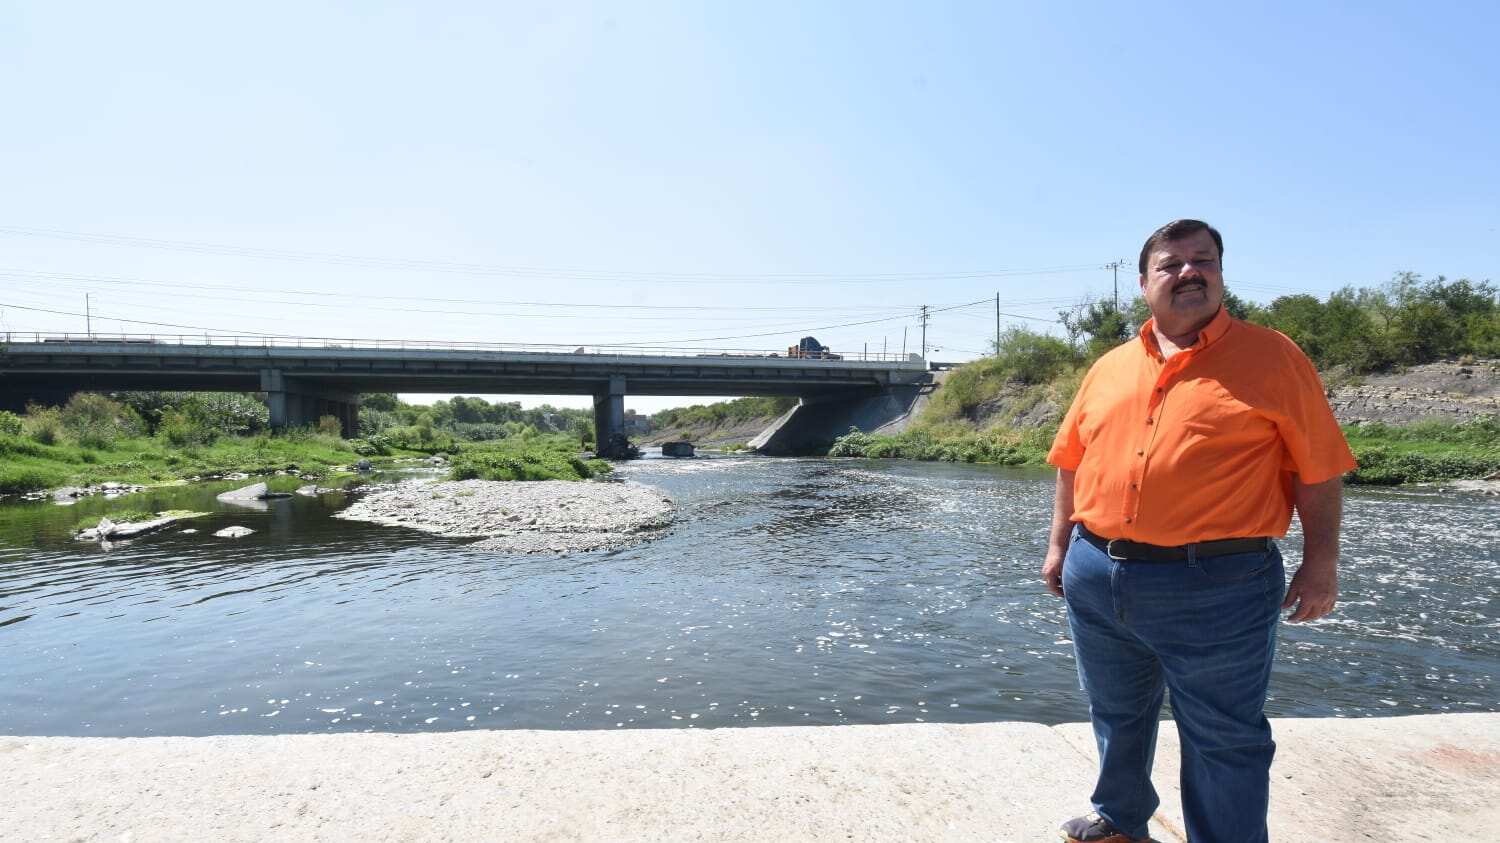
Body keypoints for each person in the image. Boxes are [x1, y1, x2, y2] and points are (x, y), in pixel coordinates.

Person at [1042, 219, 1356, 843]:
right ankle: (1120, 820)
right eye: (1171, 263)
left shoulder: (1274, 357)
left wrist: (1322, 564)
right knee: (1116, 712)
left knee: (1224, 736)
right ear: (1144, 283)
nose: (1189, 272)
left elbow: (1318, 468)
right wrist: (1058, 546)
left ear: (1220, 273)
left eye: (1203, 260)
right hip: (1097, 571)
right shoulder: (1110, 366)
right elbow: (1072, 459)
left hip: (1219, 583)